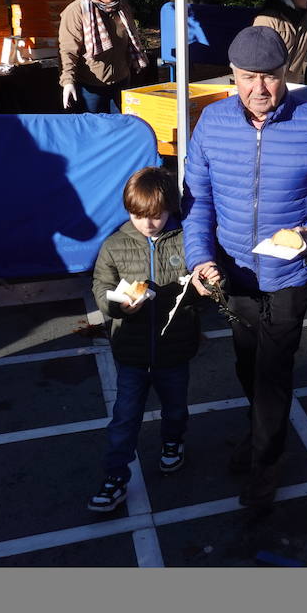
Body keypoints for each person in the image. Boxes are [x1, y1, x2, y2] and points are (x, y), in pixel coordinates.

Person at [182, 25, 307, 509]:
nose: (260, 90)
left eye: (271, 77)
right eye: (247, 78)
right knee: (245, 361)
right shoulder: (211, 124)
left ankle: (266, 463)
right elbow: (196, 203)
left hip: (292, 273)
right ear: (232, 77)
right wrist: (200, 259)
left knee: (273, 370)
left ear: (288, 74)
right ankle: (260, 432)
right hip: (233, 271)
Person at [87, 167, 199, 513]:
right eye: (139, 216)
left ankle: (172, 443)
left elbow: (208, 284)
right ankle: (115, 476)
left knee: (176, 406)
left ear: (170, 209)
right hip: (131, 353)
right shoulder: (114, 246)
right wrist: (118, 306)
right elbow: (101, 290)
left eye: (157, 215)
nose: (148, 224)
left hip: (175, 347)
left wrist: (210, 284)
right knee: (125, 417)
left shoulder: (186, 239)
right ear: (128, 210)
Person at [59, 0, 148, 113]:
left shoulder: (121, 8)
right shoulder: (76, 11)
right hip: (91, 86)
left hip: (121, 81)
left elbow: (131, 40)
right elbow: (68, 50)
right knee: (95, 130)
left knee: (121, 129)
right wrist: (68, 81)